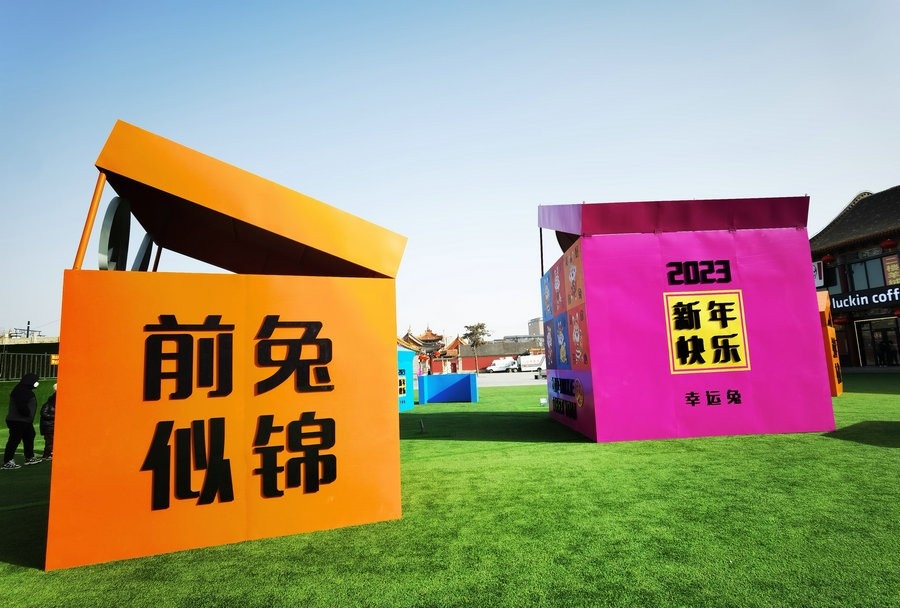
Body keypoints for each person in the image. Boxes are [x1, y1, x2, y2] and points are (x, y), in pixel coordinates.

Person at [3, 372, 42, 469]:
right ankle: (8, 461)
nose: (36, 383)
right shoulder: (22, 391)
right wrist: (27, 413)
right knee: (14, 440)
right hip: (19, 420)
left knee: (29, 436)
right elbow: (21, 406)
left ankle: (29, 457)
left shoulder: (21, 390)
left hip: (23, 420)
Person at [40, 383, 56, 460]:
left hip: (50, 425)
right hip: (48, 426)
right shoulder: (48, 404)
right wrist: (55, 417)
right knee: (49, 441)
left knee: (51, 441)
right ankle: (46, 455)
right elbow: (44, 414)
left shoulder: (51, 404)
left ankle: (48, 454)